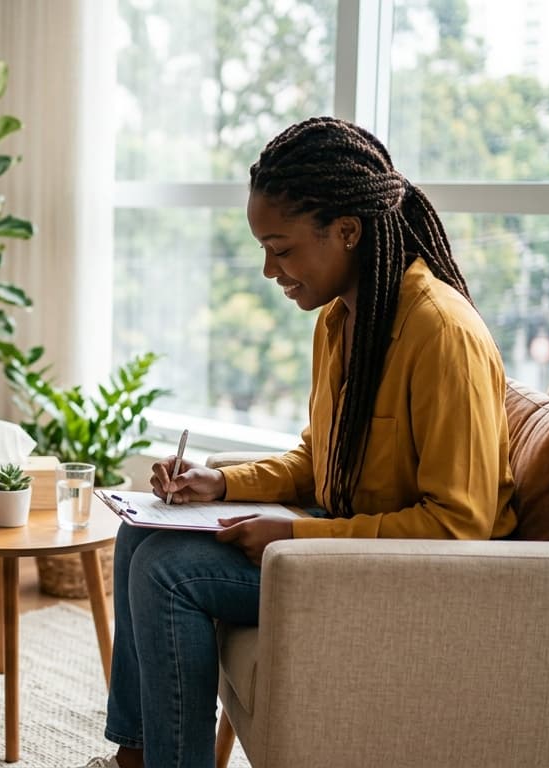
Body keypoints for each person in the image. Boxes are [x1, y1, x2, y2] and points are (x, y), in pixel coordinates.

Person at [80, 116, 517, 768]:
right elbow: (322, 461)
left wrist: (295, 538)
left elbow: (460, 526)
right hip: (355, 539)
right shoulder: (346, 317)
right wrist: (223, 483)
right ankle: (136, 757)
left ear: (346, 231)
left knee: (168, 572)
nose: (267, 269)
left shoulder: (441, 334)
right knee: (140, 533)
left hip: (422, 579)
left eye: (280, 249)